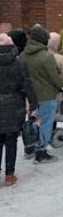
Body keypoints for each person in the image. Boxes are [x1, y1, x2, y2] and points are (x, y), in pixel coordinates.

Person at [21, 25, 63, 163]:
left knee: (33, 122)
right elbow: (55, 78)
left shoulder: (22, 56)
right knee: (45, 124)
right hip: (46, 95)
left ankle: (30, 148)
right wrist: (60, 87)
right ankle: (41, 153)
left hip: (30, 97)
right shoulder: (46, 57)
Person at [0, 33, 38, 186]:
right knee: (11, 140)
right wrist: (33, 104)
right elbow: (27, 86)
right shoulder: (19, 64)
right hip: (14, 106)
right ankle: (9, 175)